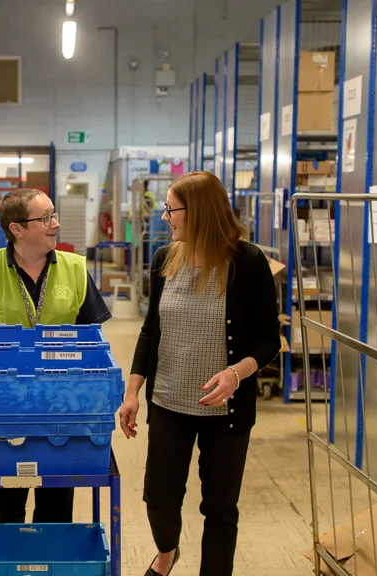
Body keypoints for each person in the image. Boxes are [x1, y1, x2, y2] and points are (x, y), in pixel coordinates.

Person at [118, 171, 280, 576]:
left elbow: (268, 340)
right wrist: (133, 391)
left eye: (171, 209)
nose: (165, 217)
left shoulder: (248, 262)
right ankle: (167, 553)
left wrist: (236, 374)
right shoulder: (164, 259)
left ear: (199, 211)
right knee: (159, 499)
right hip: (169, 401)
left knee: (220, 507)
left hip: (226, 412)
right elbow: (149, 331)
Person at [0, 187, 112, 524]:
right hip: (5, 408)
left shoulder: (73, 269)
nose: (55, 224)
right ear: (17, 229)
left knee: (56, 507)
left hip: (61, 407)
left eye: (54, 215)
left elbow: (93, 342)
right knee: (4, 508)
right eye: (45, 218)